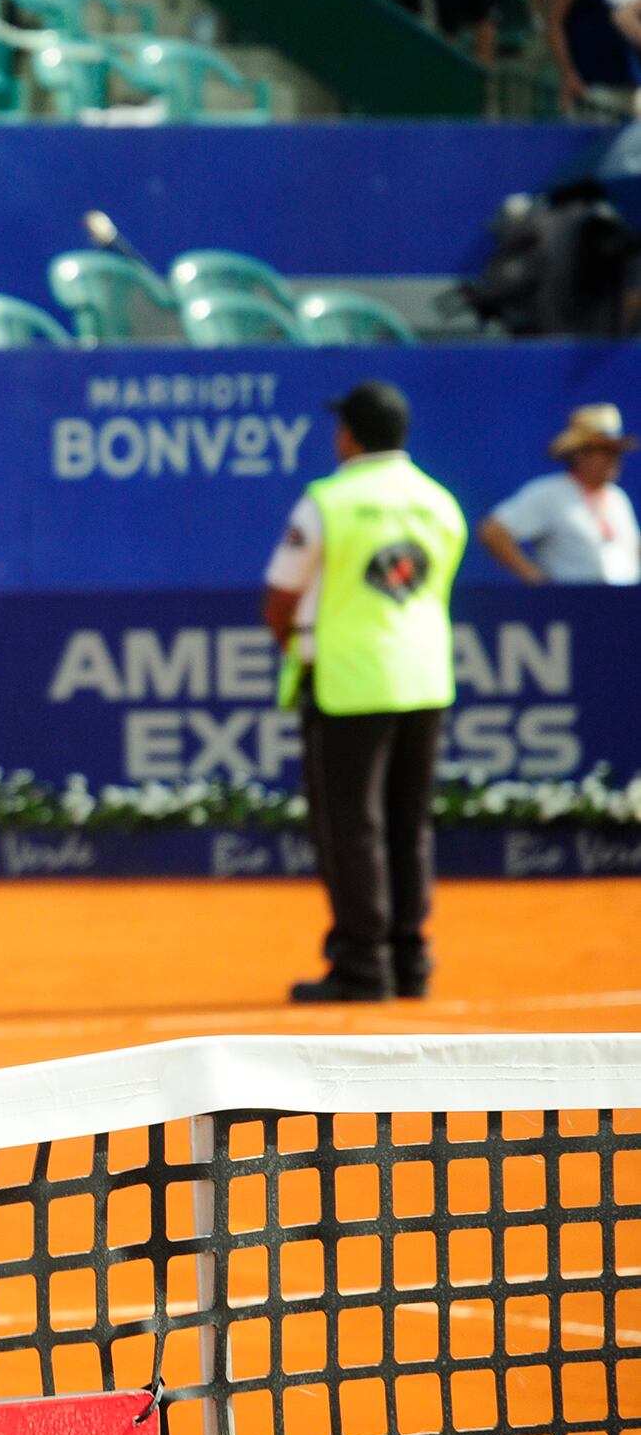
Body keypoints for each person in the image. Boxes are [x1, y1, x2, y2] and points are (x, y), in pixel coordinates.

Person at [261, 381, 465, 1004]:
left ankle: (361, 965)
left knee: (352, 827)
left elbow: (281, 597)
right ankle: (410, 959)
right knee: (409, 822)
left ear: (348, 435)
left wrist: (297, 646)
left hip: (349, 682)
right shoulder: (440, 503)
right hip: (425, 678)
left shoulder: (328, 501)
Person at [479, 402, 641, 583]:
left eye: (617, 452)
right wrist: (538, 581)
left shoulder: (618, 499)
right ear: (579, 454)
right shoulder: (549, 494)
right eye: (606, 451)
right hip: (570, 606)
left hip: (625, 606)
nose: (614, 460)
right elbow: (493, 532)